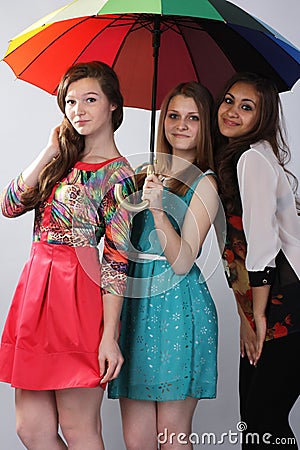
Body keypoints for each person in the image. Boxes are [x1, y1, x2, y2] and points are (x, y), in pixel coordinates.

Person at [0, 61, 135, 450]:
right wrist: (48, 149)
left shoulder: (119, 176)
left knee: (79, 431)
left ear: (113, 104)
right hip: (34, 293)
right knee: (31, 429)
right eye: (71, 101)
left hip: (76, 295)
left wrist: (110, 337)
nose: (78, 110)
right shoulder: (59, 161)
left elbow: (117, 261)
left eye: (90, 99)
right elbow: (9, 205)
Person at [109, 81, 220, 450]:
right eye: (173, 115)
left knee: (171, 436)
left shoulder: (205, 183)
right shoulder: (146, 174)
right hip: (137, 308)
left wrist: (158, 210)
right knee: (137, 440)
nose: (181, 125)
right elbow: (117, 242)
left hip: (178, 308)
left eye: (193, 118)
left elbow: (183, 258)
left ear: (206, 126)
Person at [214, 72, 300, 449]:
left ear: (262, 118)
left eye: (246, 107)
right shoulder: (244, 157)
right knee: (257, 420)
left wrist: (257, 318)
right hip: (272, 300)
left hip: (283, 304)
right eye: (229, 100)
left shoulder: (251, 159)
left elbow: (262, 247)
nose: (232, 111)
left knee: (263, 421)